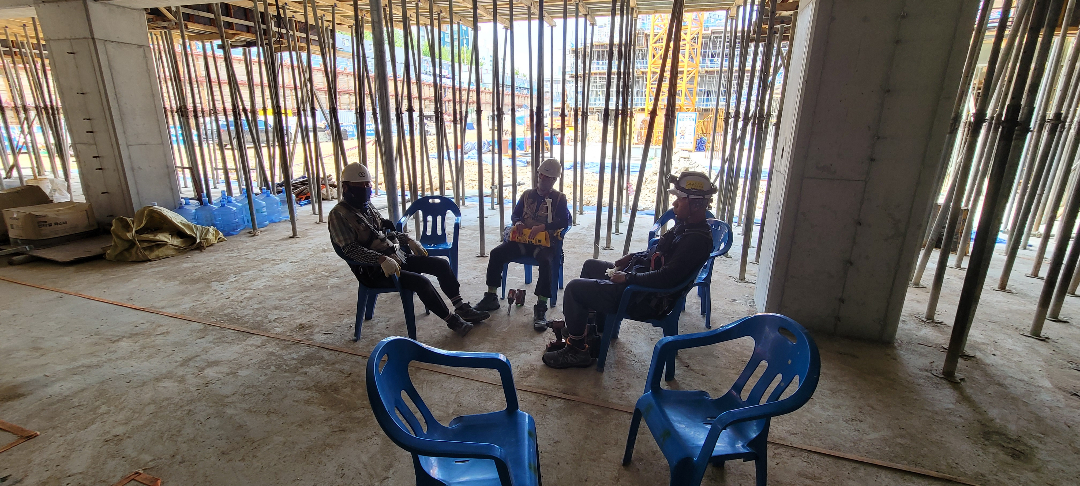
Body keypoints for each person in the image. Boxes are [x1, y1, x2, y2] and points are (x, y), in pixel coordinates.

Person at [542, 171, 717, 369]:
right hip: (641, 285)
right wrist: (634, 256)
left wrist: (628, 278)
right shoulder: (687, 227)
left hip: (644, 298)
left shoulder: (695, 241)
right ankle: (591, 332)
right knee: (591, 266)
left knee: (575, 289)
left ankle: (576, 350)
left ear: (696, 205)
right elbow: (657, 252)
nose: (675, 204)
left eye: (680, 199)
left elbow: (667, 277)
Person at [328, 163, 490, 337]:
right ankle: (452, 321)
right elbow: (350, 250)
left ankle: (461, 307)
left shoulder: (367, 206)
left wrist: (408, 239)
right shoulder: (339, 215)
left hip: (394, 257)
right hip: (373, 271)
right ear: (346, 187)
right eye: (360, 186)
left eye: (367, 184)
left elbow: (383, 232)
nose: (365, 189)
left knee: (441, 265)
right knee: (421, 282)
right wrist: (379, 259)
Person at [474, 158, 570, 331]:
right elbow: (516, 214)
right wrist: (518, 222)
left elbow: (565, 221)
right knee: (496, 253)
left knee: (547, 262)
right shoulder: (527, 195)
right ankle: (491, 296)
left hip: (544, 243)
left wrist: (544, 227)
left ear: (554, 180)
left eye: (547, 177)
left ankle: (541, 307)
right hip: (522, 240)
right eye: (541, 175)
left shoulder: (559, 199)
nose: (542, 179)